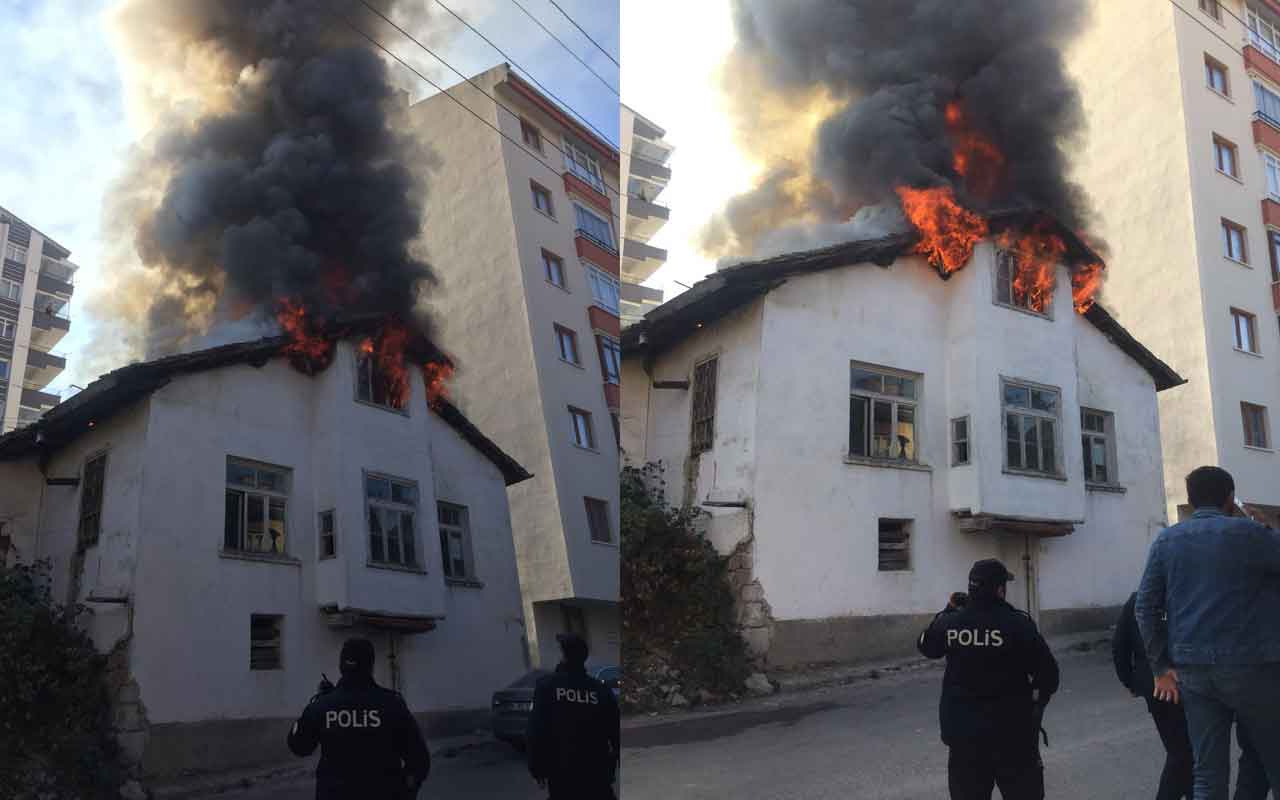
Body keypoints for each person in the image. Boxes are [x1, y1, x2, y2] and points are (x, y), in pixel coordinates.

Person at [1136, 466, 1280, 800]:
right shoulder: (1250, 534)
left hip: (1193, 672)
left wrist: (1160, 669)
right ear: (1231, 498)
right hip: (1252, 667)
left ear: (1191, 499)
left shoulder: (1166, 540)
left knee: (1207, 774)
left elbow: (1145, 607)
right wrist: (1266, 527)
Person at [918, 558, 1060, 800]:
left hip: (964, 740)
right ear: (1000, 590)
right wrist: (1035, 708)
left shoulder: (951, 622)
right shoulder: (1018, 624)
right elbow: (1049, 676)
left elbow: (925, 646)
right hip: (1013, 739)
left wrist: (948, 610)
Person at [287, 638, 431, 799]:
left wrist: (316, 703)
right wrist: (406, 791)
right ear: (371, 666)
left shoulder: (322, 705)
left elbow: (299, 746)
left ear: (341, 665)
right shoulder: (392, 704)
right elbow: (419, 761)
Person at [1114, 591, 1193, 799]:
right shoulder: (1185, 593)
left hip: (1155, 687)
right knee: (1183, 754)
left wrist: (1132, 682)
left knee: (1185, 754)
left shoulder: (1137, 599)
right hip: (1183, 685)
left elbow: (1119, 646)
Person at [526, 633, 621, 800]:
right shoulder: (600, 690)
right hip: (596, 770)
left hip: (562, 771)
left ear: (563, 656)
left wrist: (537, 768)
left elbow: (536, 731)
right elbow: (615, 732)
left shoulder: (547, 687)